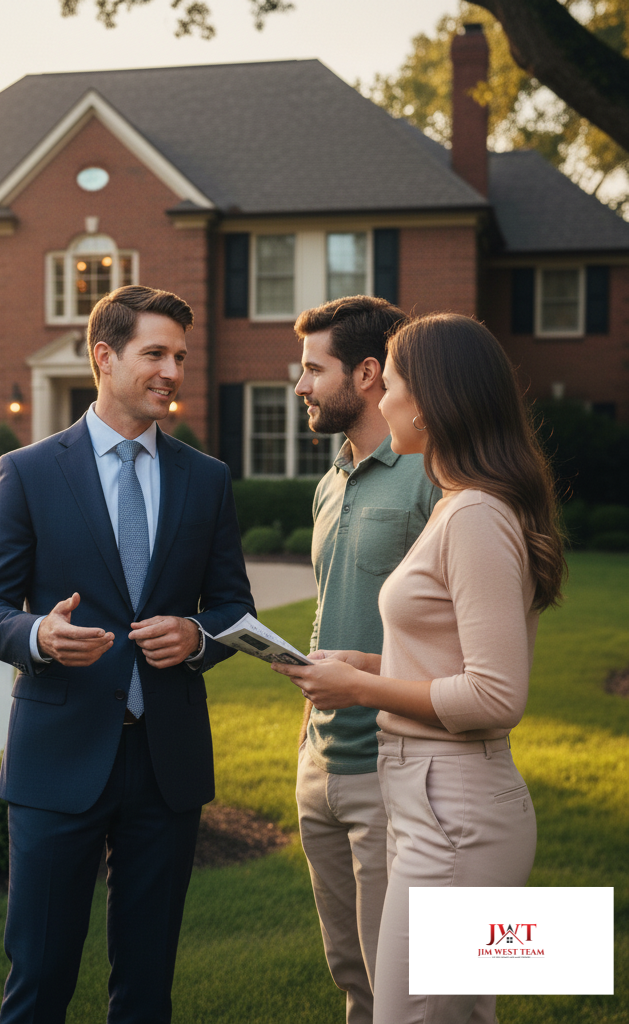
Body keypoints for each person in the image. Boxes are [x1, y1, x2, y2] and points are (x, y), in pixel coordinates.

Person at [0, 284, 255, 1024]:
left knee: (147, 985)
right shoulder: (28, 471)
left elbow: (234, 607)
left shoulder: (207, 478)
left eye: (180, 357)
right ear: (104, 356)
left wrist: (197, 637)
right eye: (155, 353)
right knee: (39, 978)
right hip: (57, 759)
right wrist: (37, 637)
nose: (173, 372)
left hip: (167, 763)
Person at [276, 313, 566, 1024]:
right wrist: (367, 661)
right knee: (444, 1012)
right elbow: (455, 653)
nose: (388, 397)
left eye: (396, 381)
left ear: (432, 400)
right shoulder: (459, 508)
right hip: (434, 804)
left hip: (456, 812)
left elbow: (497, 694)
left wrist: (360, 686)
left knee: (411, 1014)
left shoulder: (472, 514)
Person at [289, 295, 439, 1024]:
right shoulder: (330, 481)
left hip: (397, 767)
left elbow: (466, 643)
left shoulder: (434, 478)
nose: (301, 385)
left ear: (369, 372)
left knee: (409, 985)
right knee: (353, 973)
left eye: (314, 369)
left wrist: (364, 677)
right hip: (320, 764)